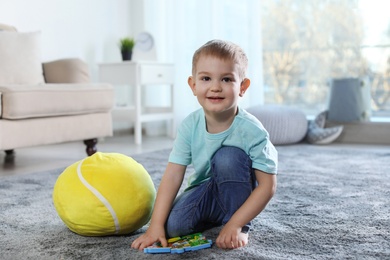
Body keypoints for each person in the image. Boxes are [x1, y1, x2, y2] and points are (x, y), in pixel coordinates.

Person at [131, 39, 278, 250]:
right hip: (205, 188)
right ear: (193, 85)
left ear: (243, 87)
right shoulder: (190, 125)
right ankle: (220, 215)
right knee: (175, 228)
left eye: (226, 79)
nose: (216, 87)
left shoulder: (253, 131)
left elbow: (268, 185)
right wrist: (154, 226)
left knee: (227, 156)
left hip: (236, 186)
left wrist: (237, 224)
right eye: (206, 78)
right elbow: (173, 175)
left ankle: (236, 219)